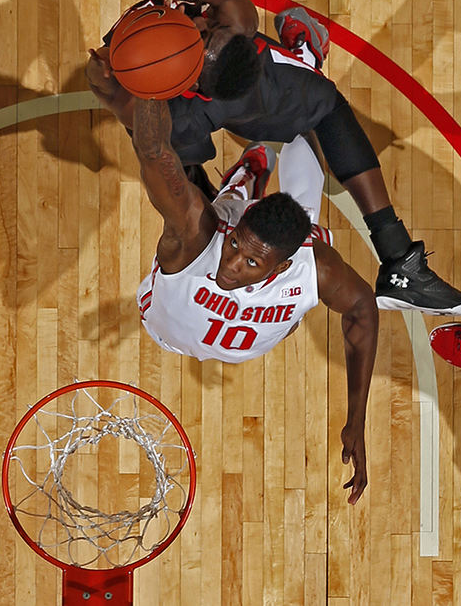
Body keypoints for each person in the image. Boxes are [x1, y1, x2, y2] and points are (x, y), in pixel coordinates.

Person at [86, 0, 461, 317]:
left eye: (205, 32)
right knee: (173, 158)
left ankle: (398, 262)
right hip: (181, 105)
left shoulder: (231, 29)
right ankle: (214, 232)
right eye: (204, 30)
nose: (203, 24)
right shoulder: (216, 35)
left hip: (209, 98)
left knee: (322, 102)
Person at [131, 96, 377, 504]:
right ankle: (244, 179)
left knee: (302, 219)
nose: (230, 266)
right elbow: (154, 155)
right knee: (223, 207)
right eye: (235, 247)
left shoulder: (312, 267)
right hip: (162, 328)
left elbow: (362, 309)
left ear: (279, 269)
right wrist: (148, 87)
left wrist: (357, 418)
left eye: (250, 263)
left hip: (253, 313)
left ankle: (252, 168)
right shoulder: (197, 238)